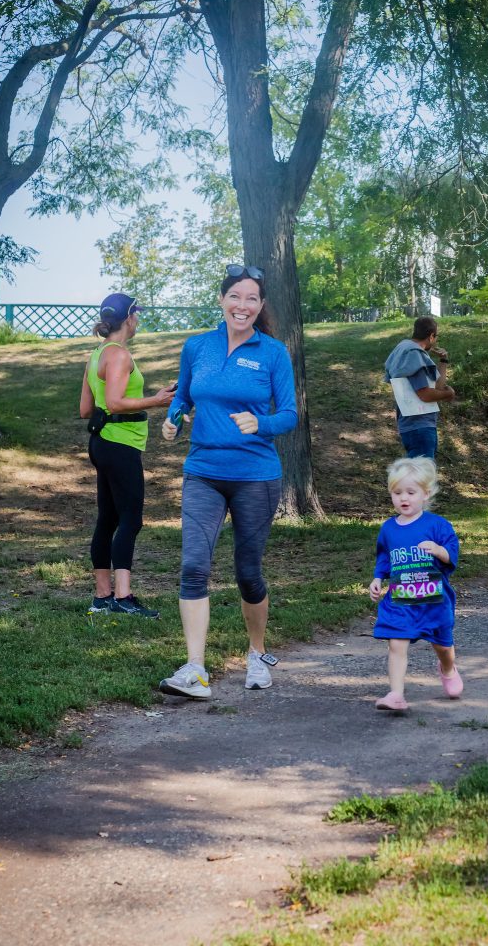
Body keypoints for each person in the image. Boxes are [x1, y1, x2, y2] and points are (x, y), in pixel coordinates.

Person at [159, 264, 298, 699]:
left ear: (260, 306)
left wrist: (260, 423)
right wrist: (172, 420)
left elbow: (289, 414)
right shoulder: (197, 346)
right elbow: (182, 395)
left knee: (247, 572)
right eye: (235, 296)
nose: (243, 305)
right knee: (193, 566)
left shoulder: (273, 352)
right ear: (222, 300)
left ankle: (257, 653)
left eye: (251, 298)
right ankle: (195, 669)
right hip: (203, 472)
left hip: (256, 476)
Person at [80, 292, 176, 618]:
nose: (139, 321)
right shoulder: (119, 355)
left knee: (108, 518)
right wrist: (156, 400)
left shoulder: (96, 355)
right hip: (121, 445)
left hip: (101, 443)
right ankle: (123, 596)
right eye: (138, 314)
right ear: (129, 317)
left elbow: (84, 409)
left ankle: (102, 597)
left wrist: (110, 407)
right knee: (131, 519)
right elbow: (117, 402)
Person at [369, 456, 463, 712]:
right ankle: (396, 694)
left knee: (443, 646)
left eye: (411, 492)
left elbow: (452, 554)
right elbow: (384, 557)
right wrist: (378, 578)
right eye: (397, 492)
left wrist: (439, 550)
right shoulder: (389, 528)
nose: (404, 498)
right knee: (396, 644)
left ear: (426, 493)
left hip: (433, 600)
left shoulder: (437, 525)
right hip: (401, 599)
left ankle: (447, 667)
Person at [384, 316, 455, 459]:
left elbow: (437, 387)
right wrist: (449, 394)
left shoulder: (403, 349)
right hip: (419, 426)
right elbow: (425, 394)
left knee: (419, 476)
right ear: (431, 336)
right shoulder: (414, 355)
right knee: (421, 479)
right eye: (436, 337)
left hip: (411, 424)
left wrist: (443, 360)